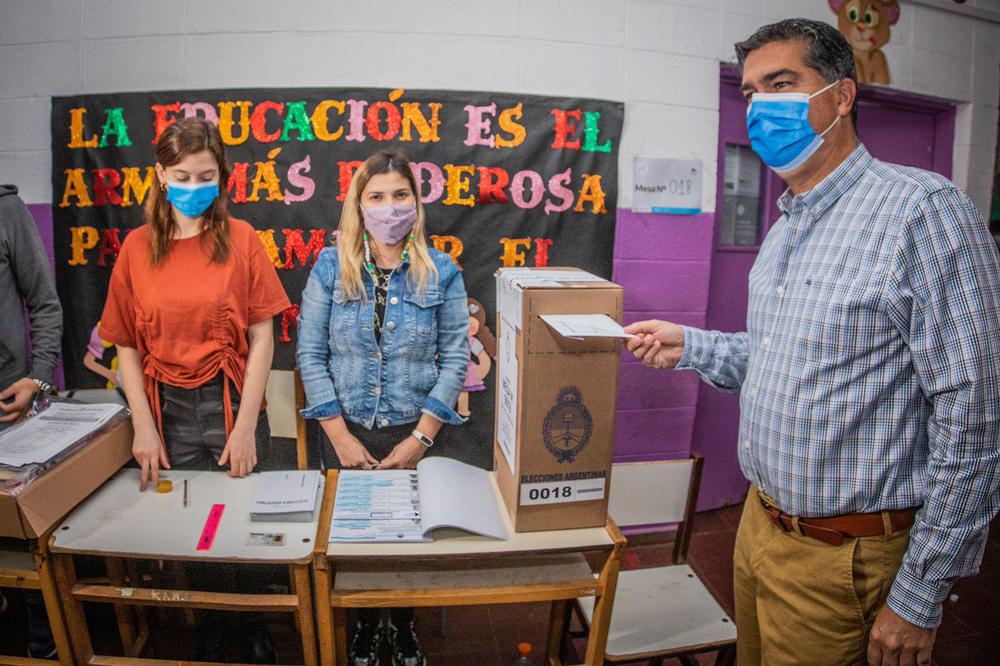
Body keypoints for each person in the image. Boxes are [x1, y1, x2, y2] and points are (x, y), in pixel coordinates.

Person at [625, 18, 1000, 666]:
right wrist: (690, 344)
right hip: (759, 529)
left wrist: (920, 592)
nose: (760, 106)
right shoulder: (787, 226)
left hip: (844, 556)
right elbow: (779, 358)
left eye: (781, 83)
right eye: (749, 92)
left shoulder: (922, 212)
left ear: (842, 95)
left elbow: (976, 412)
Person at [99, 117, 291, 662]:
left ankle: (251, 625)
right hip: (166, 406)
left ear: (222, 177)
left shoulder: (243, 239)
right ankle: (211, 622)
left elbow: (262, 337)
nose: (192, 187)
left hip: (230, 398)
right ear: (160, 174)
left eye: (205, 176)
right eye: (181, 176)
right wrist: (142, 425)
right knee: (192, 523)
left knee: (240, 517)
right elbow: (126, 346)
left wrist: (249, 424)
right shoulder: (137, 248)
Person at [297, 150, 467, 666]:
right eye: (377, 197)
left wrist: (420, 440)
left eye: (400, 195)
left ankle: (405, 627)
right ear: (358, 205)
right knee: (357, 548)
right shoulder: (330, 267)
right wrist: (340, 438)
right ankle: (368, 628)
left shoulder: (442, 271)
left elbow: (457, 358)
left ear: (416, 203)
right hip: (347, 433)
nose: (389, 207)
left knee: (409, 547)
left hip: (415, 433)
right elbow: (310, 353)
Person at [0, 184, 63, 658]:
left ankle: (44, 645)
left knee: (28, 534)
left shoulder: (7, 208)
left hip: (9, 410)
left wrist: (37, 378)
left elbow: (44, 303)